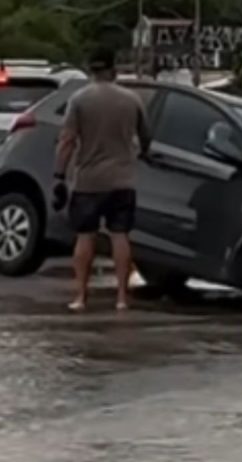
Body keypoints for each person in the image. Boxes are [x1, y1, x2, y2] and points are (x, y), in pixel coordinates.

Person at [54, 47, 151, 312]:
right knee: (120, 236)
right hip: (122, 179)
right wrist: (141, 153)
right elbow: (146, 138)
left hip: (88, 180)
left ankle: (81, 296)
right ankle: (121, 297)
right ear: (113, 70)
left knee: (85, 237)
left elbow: (67, 141)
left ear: (91, 71)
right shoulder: (132, 99)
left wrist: (59, 176)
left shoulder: (79, 100)